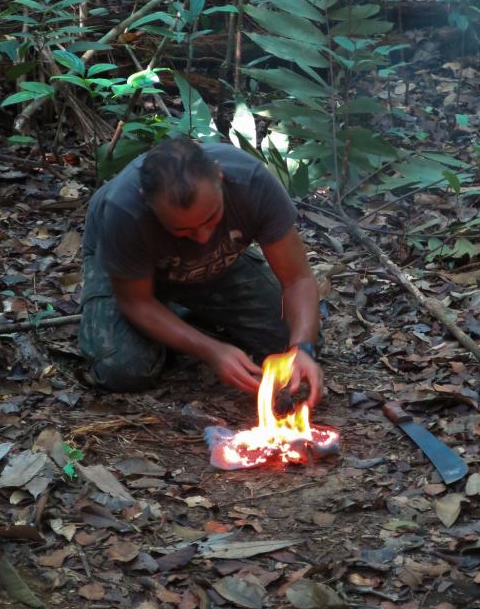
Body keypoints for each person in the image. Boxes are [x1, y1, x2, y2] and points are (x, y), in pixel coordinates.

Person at [79, 136, 323, 407]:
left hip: (216, 265)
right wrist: (211, 350)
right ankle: (176, 316)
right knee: (123, 369)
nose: (203, 237)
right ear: (146, 203)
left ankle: (185, 315)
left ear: (220, 177)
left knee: (289, 341)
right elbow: (136, 301)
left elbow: (298, 279)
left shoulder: (251, 182)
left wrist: (302, 348)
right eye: (182, 231)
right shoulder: (123, 211)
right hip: (129, 272)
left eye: (212, 218)